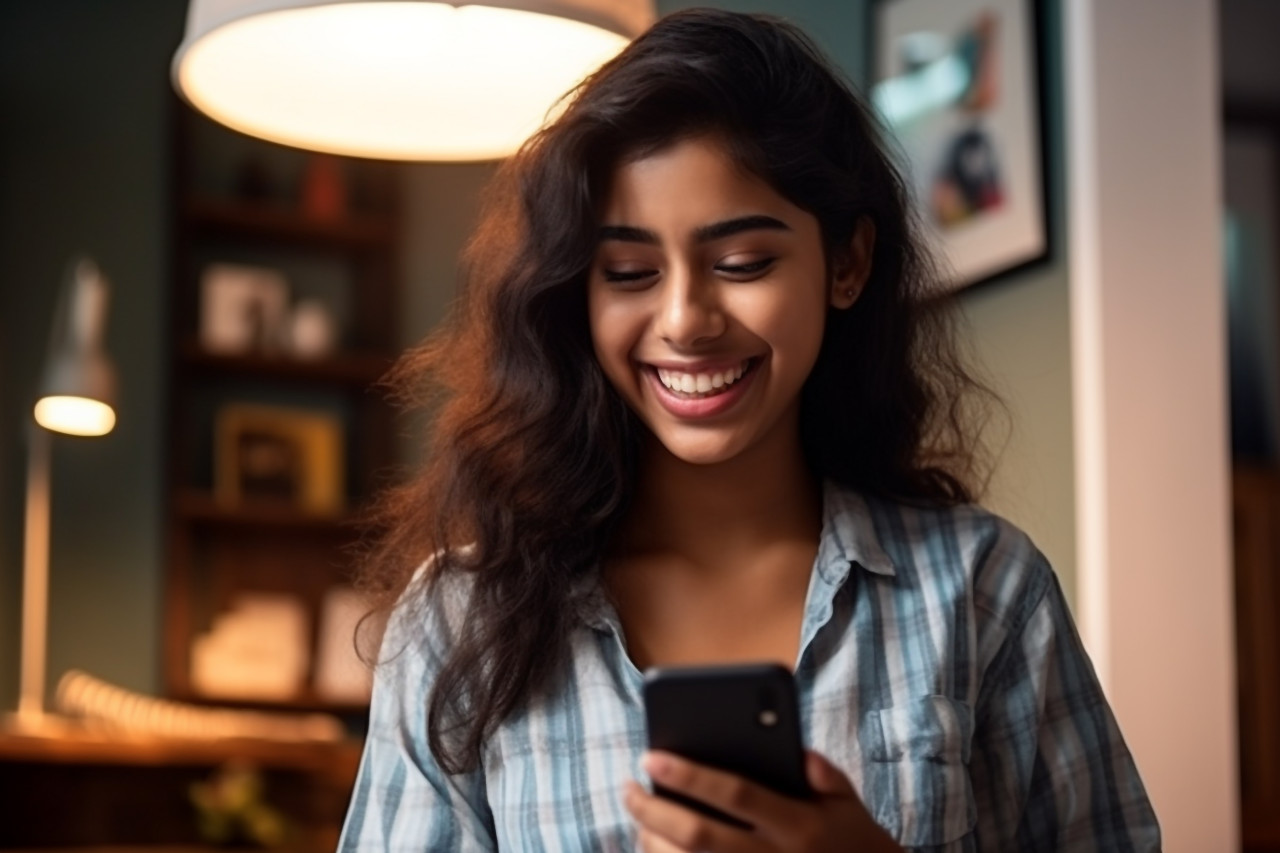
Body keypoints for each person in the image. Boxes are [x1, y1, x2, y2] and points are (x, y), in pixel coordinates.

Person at [338, 9, 1160, 852]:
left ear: (847, 263)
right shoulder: (460, 622)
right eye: (628, 272)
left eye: (742, 264)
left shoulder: (983, 589)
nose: (686, 319)